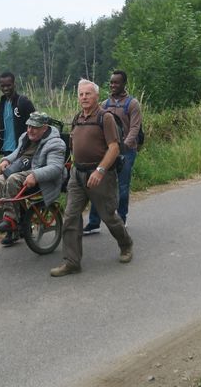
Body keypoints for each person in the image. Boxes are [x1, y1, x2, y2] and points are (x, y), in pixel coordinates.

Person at [50, 79, 134, 277]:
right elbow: (73, 145)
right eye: (81, 94)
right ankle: (71, 262)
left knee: (108, 216)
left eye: (88, 94)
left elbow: (114, 148)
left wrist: (100, 171)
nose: (84, 97)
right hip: (77, 175)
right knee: (71, 216)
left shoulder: (105, 118)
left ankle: (126, 245)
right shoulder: (78, 117)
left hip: (100, 176)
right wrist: (70, 166)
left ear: (97, 96)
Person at [0, 111, 67, 246]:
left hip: (41, 175)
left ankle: (11, 219)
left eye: (35, 127)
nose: (30, 130)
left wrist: (36, 175)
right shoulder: (25, 137)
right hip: (23, 171)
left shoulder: (56, 143)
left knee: (13, 179)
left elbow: (55, 168)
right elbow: (16, 154)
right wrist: (6, 160)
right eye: (29, 126)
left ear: (44, 128)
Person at [84, 70, 142, 233]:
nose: (113, 85)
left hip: (126, 152)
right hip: (107, 151)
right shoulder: (104, 104)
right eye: (111, 82)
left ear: (124, 84)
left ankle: (121, 219)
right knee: (97, 185)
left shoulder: (132, 104)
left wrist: (124, 145)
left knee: (122, 187)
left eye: (116, 82)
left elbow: (135, 127)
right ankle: (94, 223)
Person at [0, 72, 35, 166]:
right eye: (3, 86)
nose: (5, 88)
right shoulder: (2, 104)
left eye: (8, 85)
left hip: (22, 151)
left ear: (14, 85)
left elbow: (35, 126)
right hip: (7, 151)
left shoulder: (23, 102)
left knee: (15, 178)